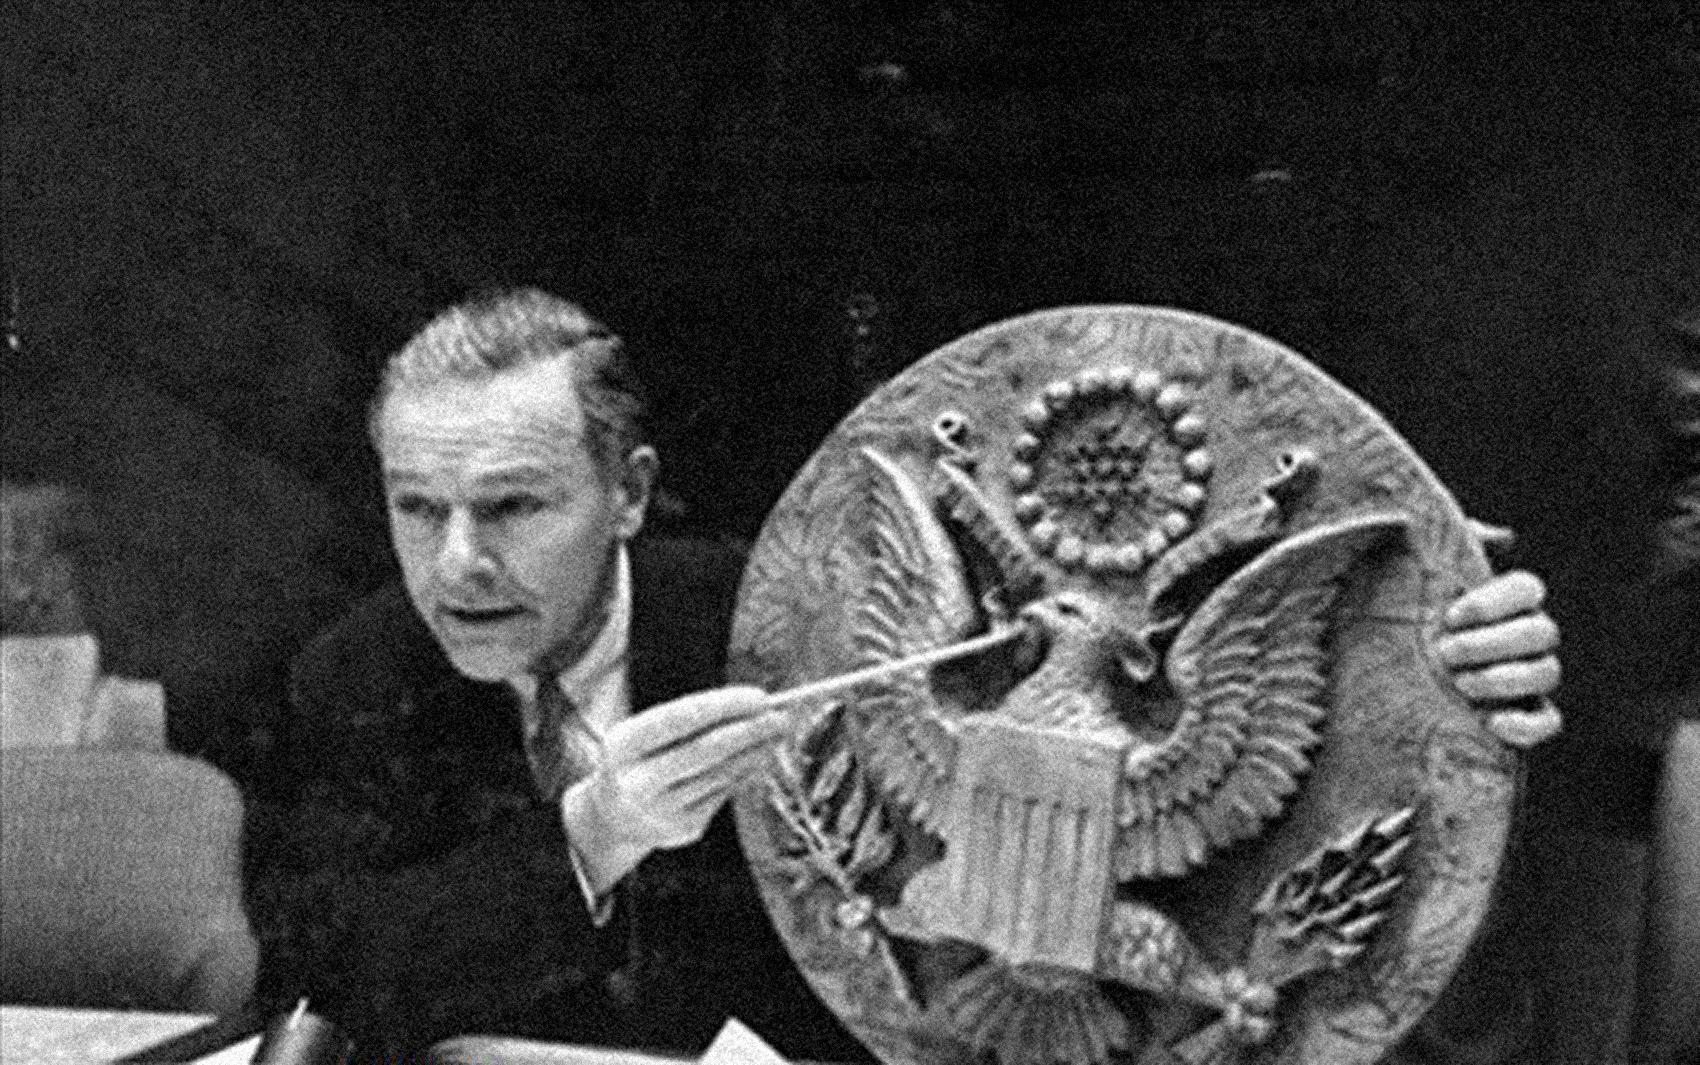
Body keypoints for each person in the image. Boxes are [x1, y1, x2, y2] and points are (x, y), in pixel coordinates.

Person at [246, 288, 1561, 1063]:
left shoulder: (791, 620)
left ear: (630, 493)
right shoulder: (351, 677)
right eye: (417, 507)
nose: (457, 563)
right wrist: (590, 836)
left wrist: (1446, 657)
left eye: (513, 506)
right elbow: (330, 967)